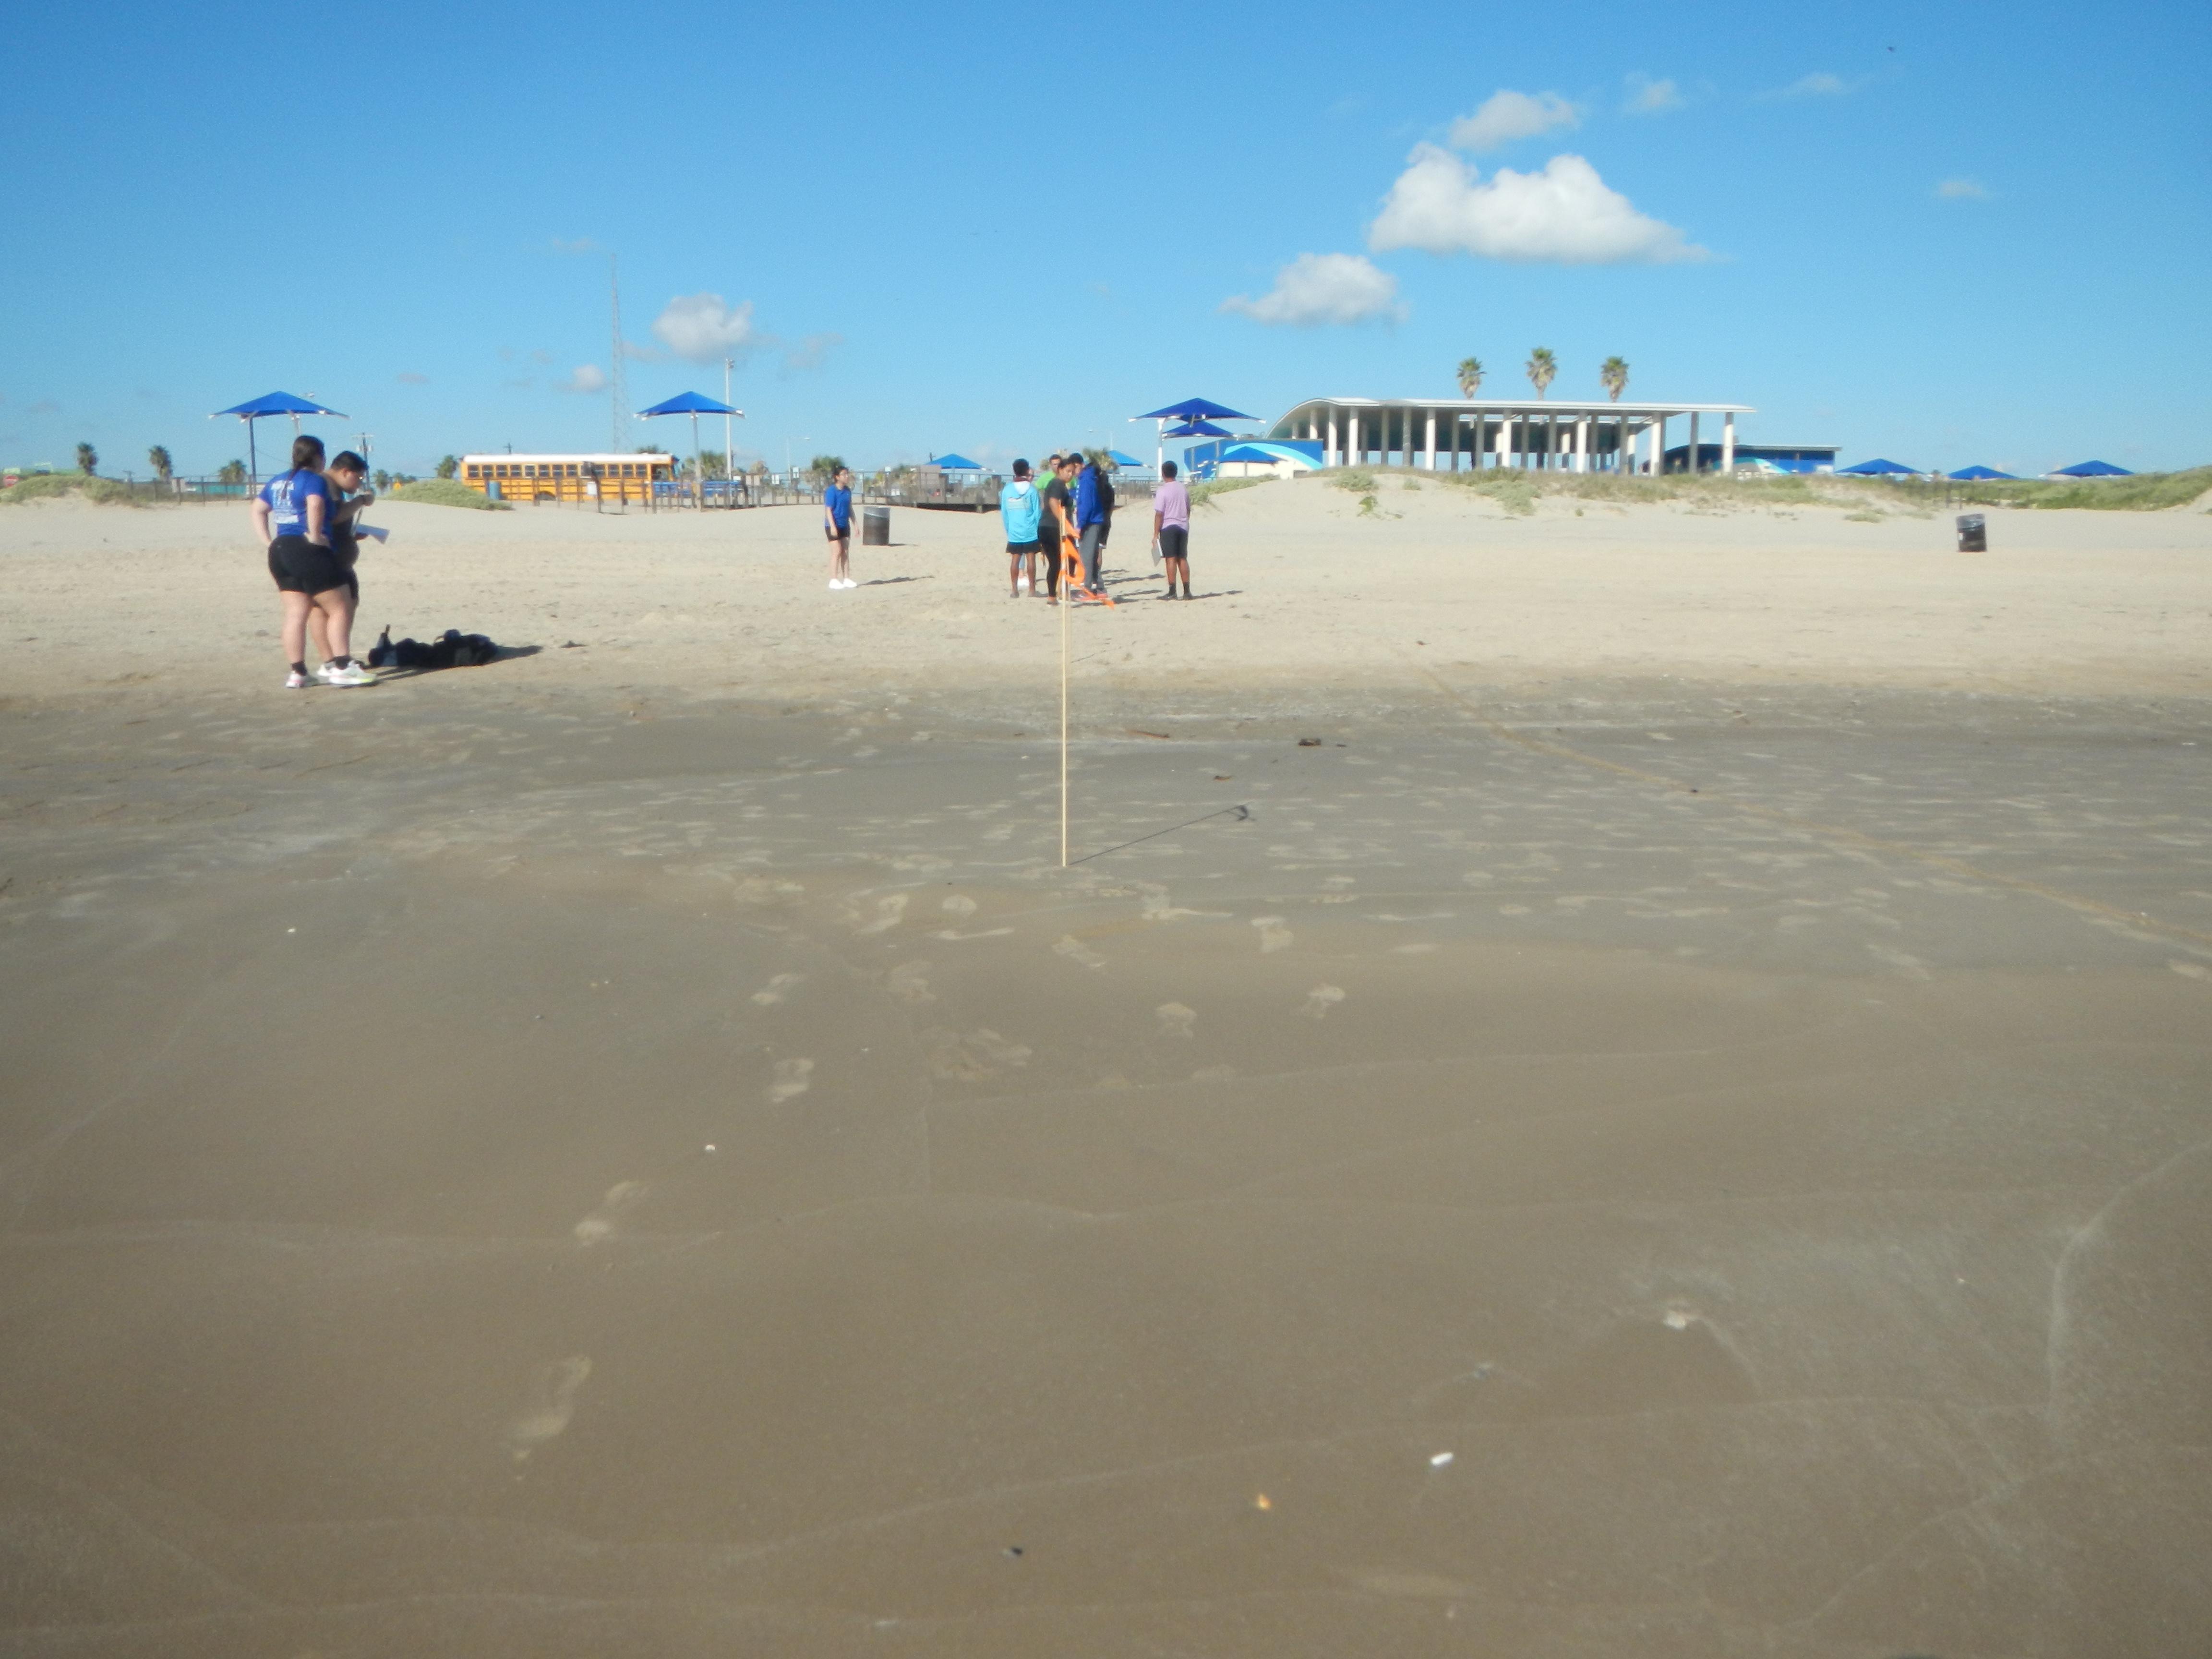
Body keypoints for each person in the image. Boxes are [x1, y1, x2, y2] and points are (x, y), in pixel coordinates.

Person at [251, 435, 371, 687]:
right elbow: (316, 504)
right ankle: (342, 666)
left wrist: (267, 541)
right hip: (306, 549)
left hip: (280, 550)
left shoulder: (278, 480)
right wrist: (316, 536)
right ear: (318, 457)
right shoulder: (313, 480)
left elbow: (258, 509)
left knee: (296, 614)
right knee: (340, 607)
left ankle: (298, 673)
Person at [313, 450, 374, 663]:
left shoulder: (325, 484)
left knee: (325, 608)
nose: (358, 484)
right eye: (357, 478)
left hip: (336, 554)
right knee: (337, 609)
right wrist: (361, 501)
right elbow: (337, 516)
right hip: (333, 559)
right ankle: (338, 659)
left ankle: (332, 659)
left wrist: (352, 537)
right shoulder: (328, 485)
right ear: (346, 472)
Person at [999, 459, 1043, 597]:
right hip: (1030, 529)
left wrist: (1008, 529)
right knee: (1031, 559)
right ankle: (1032, 590)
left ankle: (1014, 590)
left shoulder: (1007, 490)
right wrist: (1038, 529)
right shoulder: (1032, 490)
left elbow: (1005, 513)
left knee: (1015, 559)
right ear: (1026, 471)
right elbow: (1037, 513)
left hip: (1014, 530)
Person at [1039, 454, 1079, 604]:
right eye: (1068, 471)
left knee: (1056, 563)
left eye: (1072, 472)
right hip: (1054, 528)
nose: (1070, 475)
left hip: (1046, 527)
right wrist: (1065, 524)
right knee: (1069, 559)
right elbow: (1053, 503)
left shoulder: (1058, 484)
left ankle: (1053, 596)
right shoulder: (1057, 484)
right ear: (1061, 470)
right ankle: (1063, 592)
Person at [1153, 459, 1192, 599]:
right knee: (1182, 558)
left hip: (1168, 526)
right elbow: (1188, 509)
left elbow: (1159, 514)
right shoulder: (1183, 489)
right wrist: (1185, 521)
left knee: (1170, 558)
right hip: (1183, 526)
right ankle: (1187, 591)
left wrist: (1156, 534)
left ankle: (1172, 591)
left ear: (1163, 474)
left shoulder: (1163, 491)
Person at [1074, 450, 1109, 599]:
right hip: (1095, 520)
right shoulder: (1085, 478)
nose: (1072, 473)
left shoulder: (1087, 479)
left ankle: (1088, 589)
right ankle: (1101, 589)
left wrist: (1081, 524)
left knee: (1086, 557)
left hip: (1091, 521)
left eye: (1073, 469)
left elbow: (1087, 504)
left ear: (1080, 465)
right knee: (1092, 556)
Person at [823, 467, 854, 588]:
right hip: (832, 525)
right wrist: (833, 527)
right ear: (837, 477)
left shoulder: (847, 491)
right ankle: (834, 580)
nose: (846, 476)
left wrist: (855, 524)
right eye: (844, 474)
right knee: (836, 552)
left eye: (847, 474)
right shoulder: (832, 491)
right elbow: (829, 510)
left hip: (845, 524)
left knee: (845, 551)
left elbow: (850, 509)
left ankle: (847, 578)